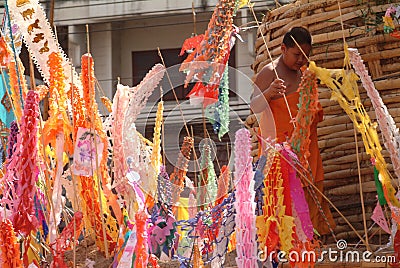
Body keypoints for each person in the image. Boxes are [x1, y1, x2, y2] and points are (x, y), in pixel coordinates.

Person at [250, 27, 335, 236]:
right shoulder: (269, 72)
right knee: (282, 197)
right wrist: (269, 93)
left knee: (311, 192)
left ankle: (312, 242)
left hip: (306, 149)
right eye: (297, 55)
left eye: (305, 55)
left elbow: (313, 108)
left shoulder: (306, 73)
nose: (301, 60)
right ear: (283, 49)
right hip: (280, 151)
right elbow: (254, 106)